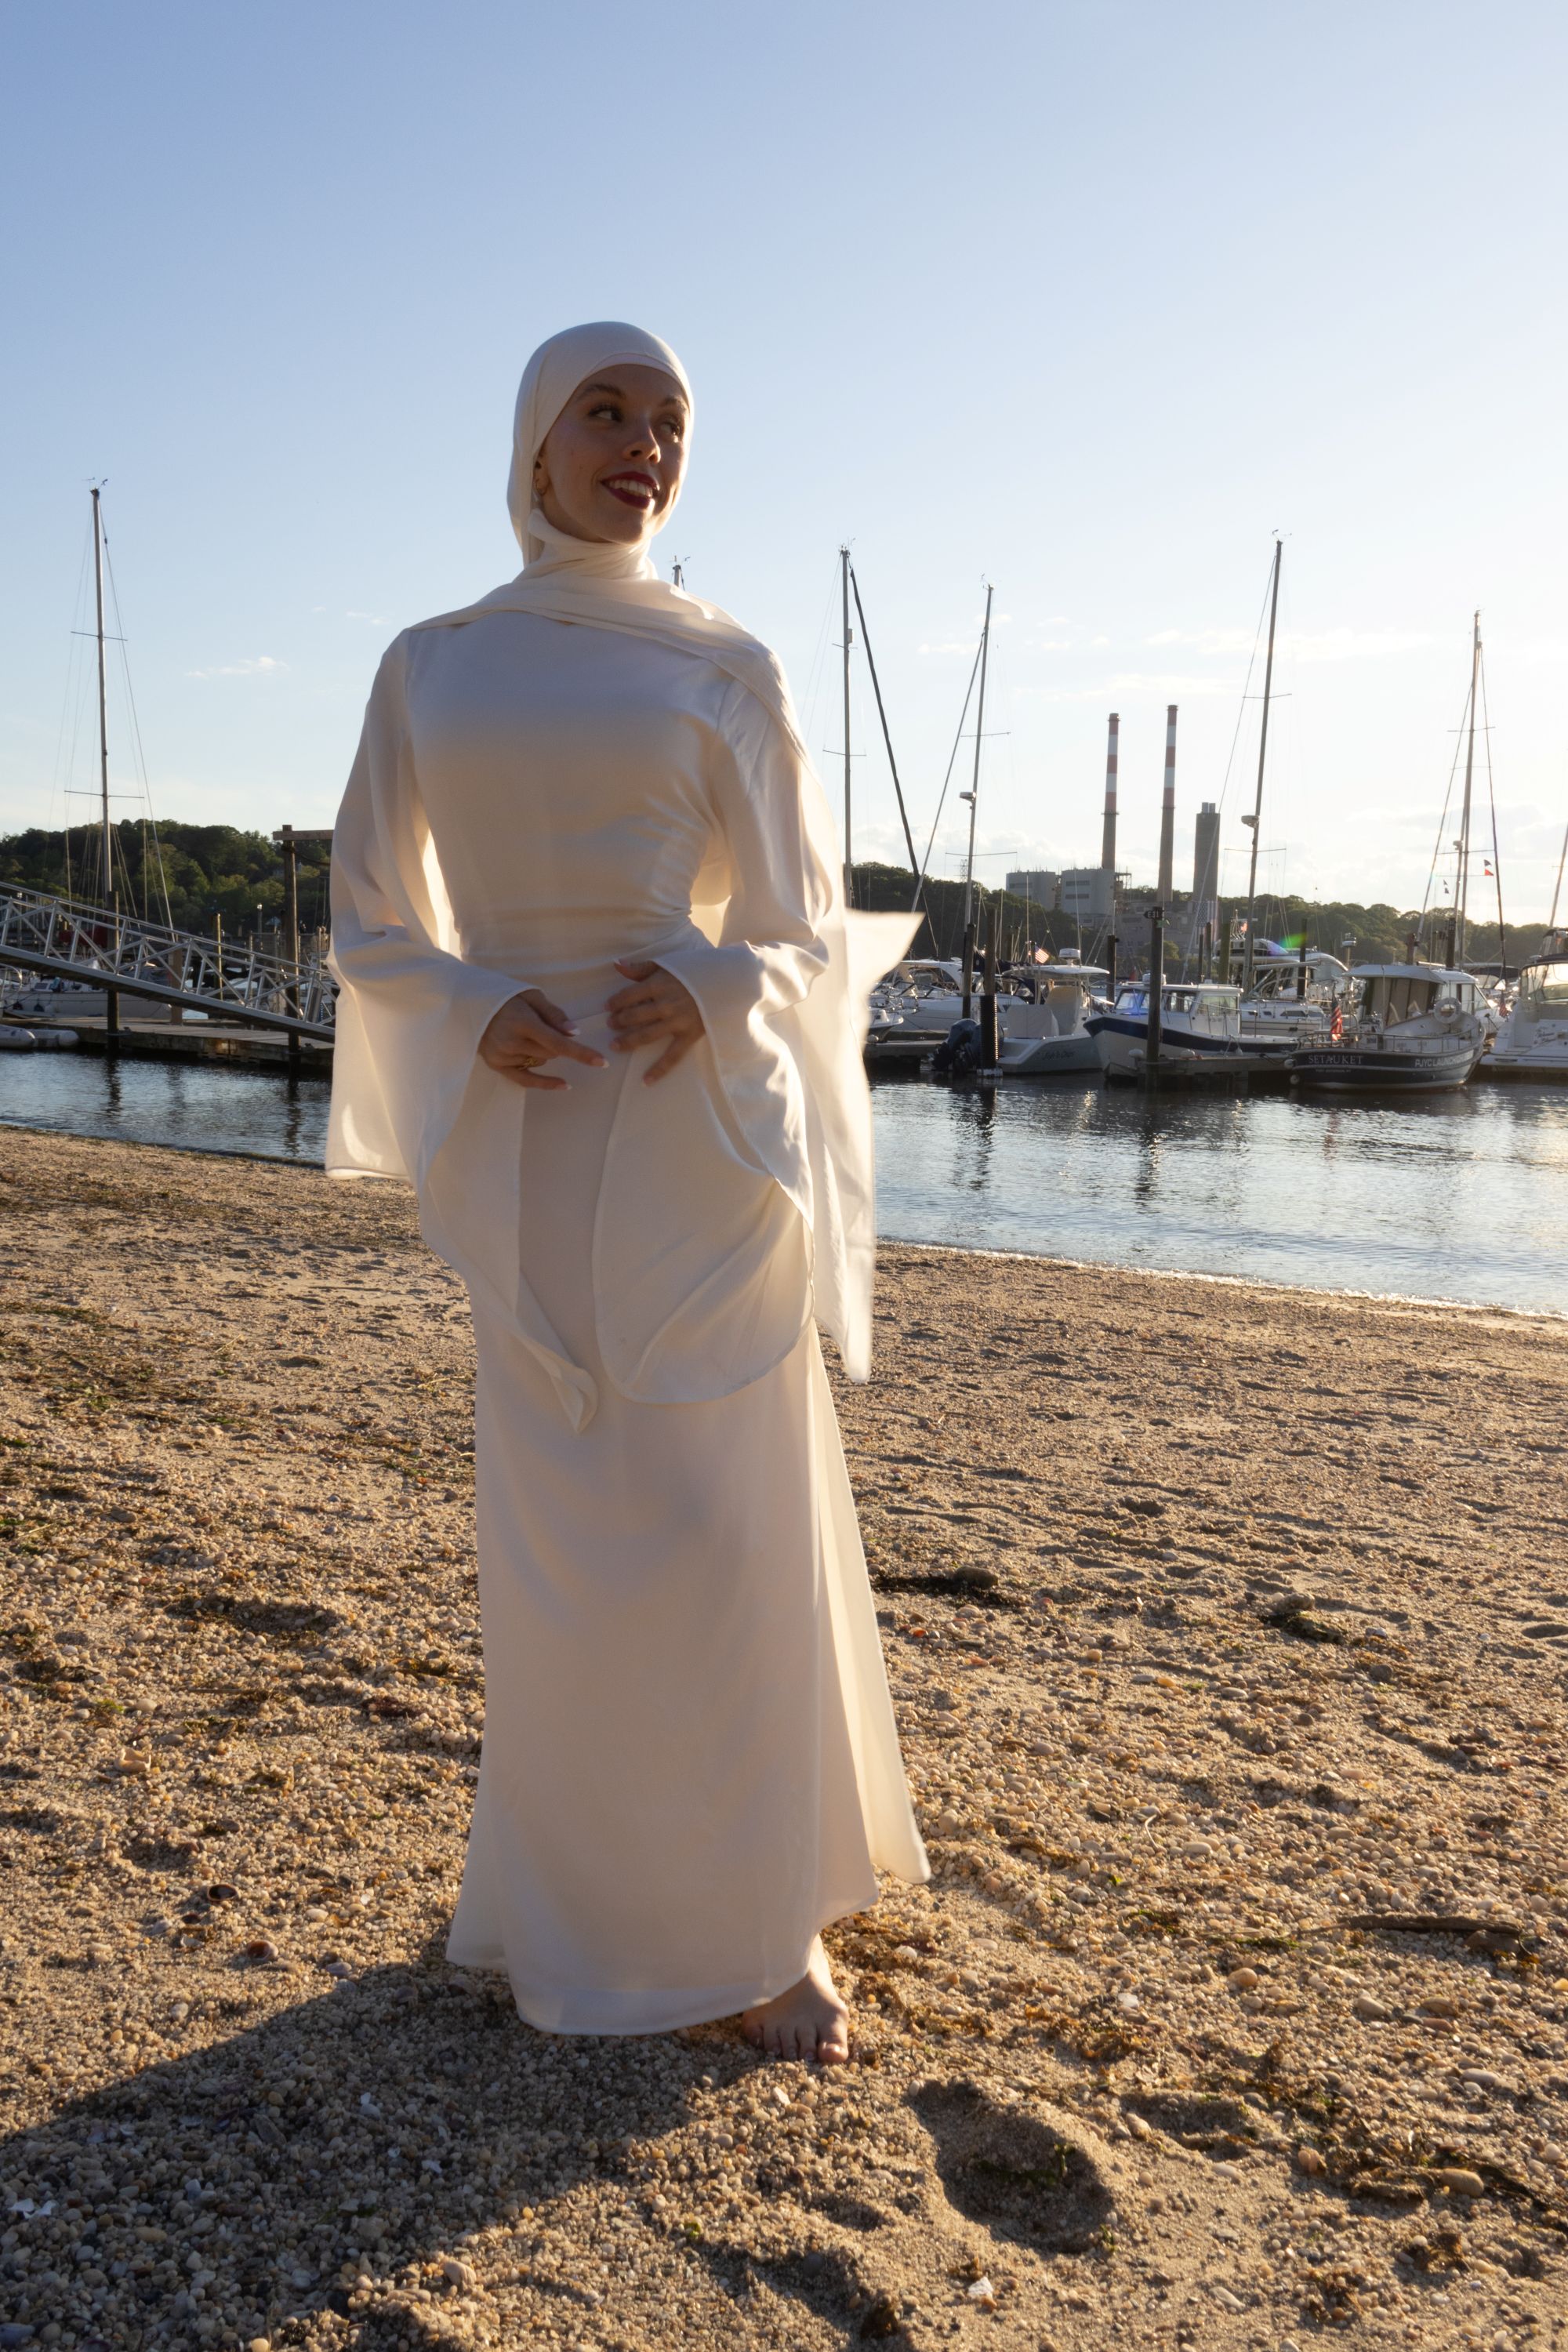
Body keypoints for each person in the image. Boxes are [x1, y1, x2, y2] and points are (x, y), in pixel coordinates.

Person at [326, 323, 927, 2063]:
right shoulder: (427, 665)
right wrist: (464, 1000)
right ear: (533, 441)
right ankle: (575, 1920)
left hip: (695, 1147)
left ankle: (753, 1934)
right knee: (569, 1543)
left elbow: (806, 928)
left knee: (727, 1529)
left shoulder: (725, 664)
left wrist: (722, 984)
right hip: (523, 1139)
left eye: (668, 422)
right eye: (606, 411)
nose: (640, 445)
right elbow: (372, 915)